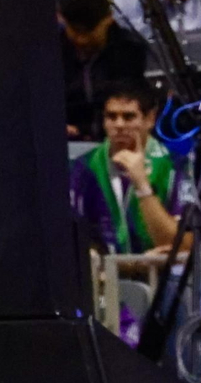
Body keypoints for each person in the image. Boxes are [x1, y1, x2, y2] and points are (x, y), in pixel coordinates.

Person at [70, 84, 178, 255]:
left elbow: (180, 245)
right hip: (105, 277)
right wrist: (137, 265)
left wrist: (142, 186)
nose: (119, 125)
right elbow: (74, 242)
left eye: (128, 117)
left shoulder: (175, 165)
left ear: (150, 119)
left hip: (165, 277)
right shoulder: (84, 167)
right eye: (111, 117)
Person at [58, 0, 148, 140]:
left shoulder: (130, 49)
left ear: (109, 17)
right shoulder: (51, 53)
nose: (82, 40)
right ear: (61, 18)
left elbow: (129, 102)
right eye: (76, 31)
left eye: (90, 31)